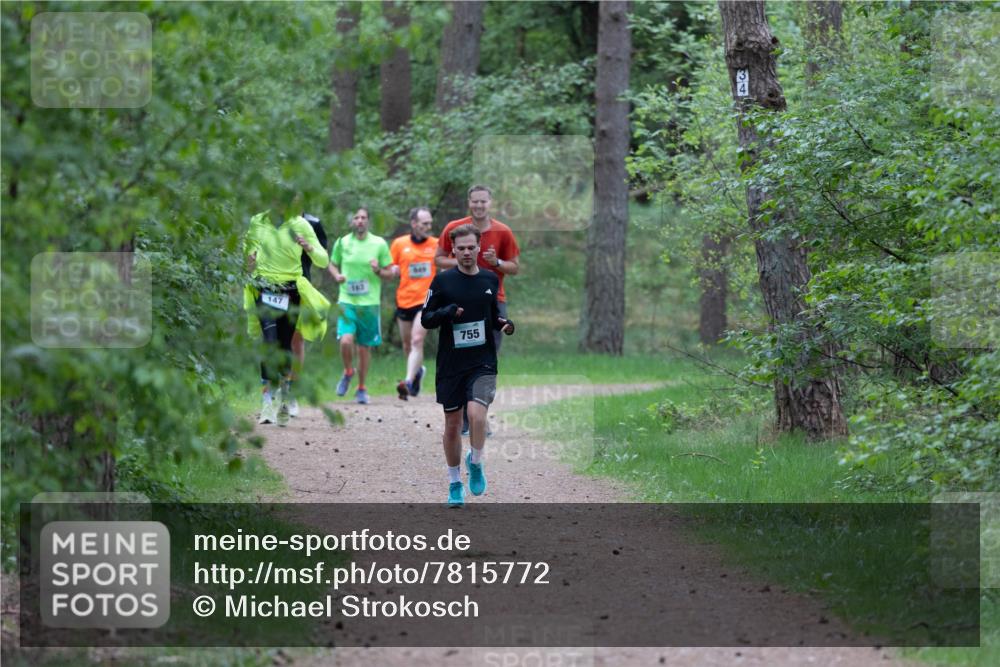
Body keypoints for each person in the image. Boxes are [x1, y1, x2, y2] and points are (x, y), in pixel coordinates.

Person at [422, 224, 515, 506]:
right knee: (452, 425)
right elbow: (427, 319)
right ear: (453, 250)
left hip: (482, 361)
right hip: (451, 363)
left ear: (478, 248)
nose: (465, 252)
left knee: (476, 415)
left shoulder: (489, 279)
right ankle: (454, 483)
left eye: (470, 247)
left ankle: (475, 462)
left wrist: (505, 324)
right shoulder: (443, 282)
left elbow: (492, 316)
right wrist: (448, 312)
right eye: (460, 248)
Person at [435, 185, 520, 434]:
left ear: (490, 203)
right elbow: (438, 259)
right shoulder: (455, 229)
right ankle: (463, 416)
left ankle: (479, 415)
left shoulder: (502, 231)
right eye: (475, 202)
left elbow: (514, 267)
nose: (479, 206)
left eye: (483, 202)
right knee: (460, 357)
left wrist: (497, 263)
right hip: (459, 299)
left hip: (492, 301)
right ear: (469, 203)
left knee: (486, 361)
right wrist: (462, 258)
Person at [243, 196, 330, 426]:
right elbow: (247, 259)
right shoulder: (257, 222)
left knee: (284, 347)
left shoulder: (301, 224)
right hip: (263, 288)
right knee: (269, 343)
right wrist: (249, 261)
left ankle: (284, 395)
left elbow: (322, 260)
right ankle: (267, 403)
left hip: (290, 291)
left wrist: (309, 247)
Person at [328, 207, 394, 405]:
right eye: (356, 217)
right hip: (347, 300)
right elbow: (331, 264)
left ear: (368, 221)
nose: (360, 221)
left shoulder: (379, 243)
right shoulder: (342, 242)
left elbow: (391, 273)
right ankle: (348, 371)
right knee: (346, 341)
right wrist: (336, 275)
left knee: (364, 348)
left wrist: (378, 271)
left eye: (363, 217)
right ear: (352, 222)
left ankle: (362, 388)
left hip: (369, 303)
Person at [389, 206, 437, 400]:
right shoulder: (399, 244)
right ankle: (417, 372)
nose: (428, 226)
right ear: (414, 224)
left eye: (430, 223)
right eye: (425, 223)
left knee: (417, 339)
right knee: (407, 345)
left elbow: (448, 262)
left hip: (426, 300)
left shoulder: (436, 244)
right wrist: (391, 269)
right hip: (404, 300)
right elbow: (391, 265)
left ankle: (407, 381)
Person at [287, 212, 328, 417]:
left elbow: (322, 256)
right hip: (273, 285)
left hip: (302, 284)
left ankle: (292, 392)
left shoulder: (313, 222)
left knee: (296, 340)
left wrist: (308, 246)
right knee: (276, 340)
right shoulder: (271, 222)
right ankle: (274, 390)